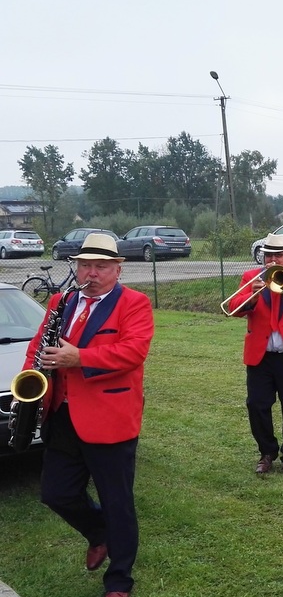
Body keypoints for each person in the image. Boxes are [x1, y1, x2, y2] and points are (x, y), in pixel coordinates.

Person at [22, 232, 154, 597]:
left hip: (109, 414)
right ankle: (99, 533)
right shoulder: (61, 300)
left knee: (118, 501)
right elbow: (39, 342)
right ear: (76, 266)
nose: (91, 273)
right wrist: (29, 373)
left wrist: (80, 358)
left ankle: (119, 579)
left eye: (100, 266)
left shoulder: (135, 303)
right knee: (56, 493)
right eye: (85, 265)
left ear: (117, 270)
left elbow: (133, 352)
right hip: (61, 413)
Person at [228, 233, 283, 475]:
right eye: (269, 255)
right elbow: (234, 307)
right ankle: (267, 452)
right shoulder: (251, 277)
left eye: (279, 255)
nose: (273, 259)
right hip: (261, 355)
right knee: (256, 405)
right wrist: (252, 294)